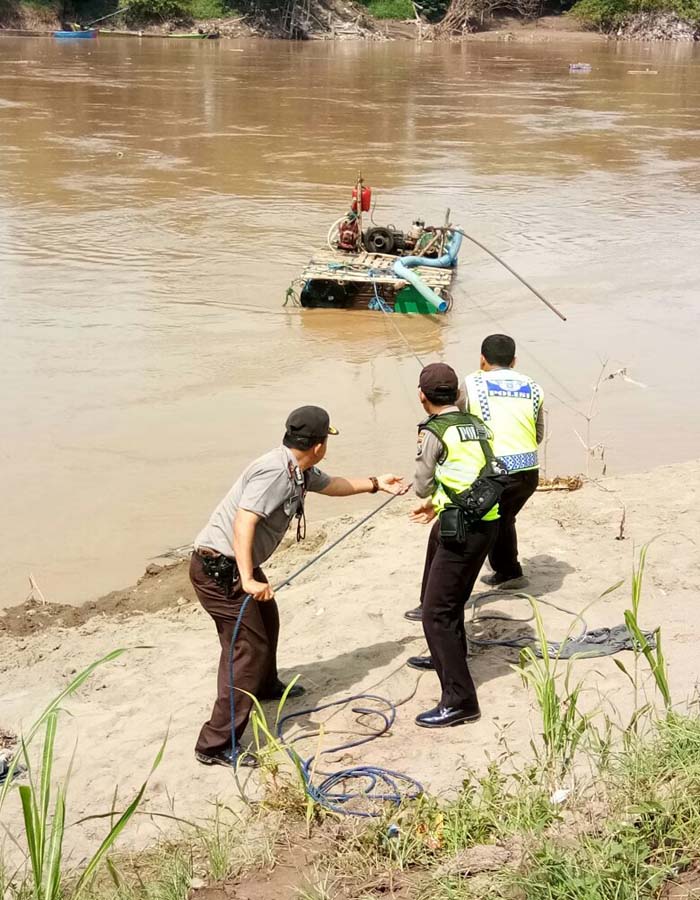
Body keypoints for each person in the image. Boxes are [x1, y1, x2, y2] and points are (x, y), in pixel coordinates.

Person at [191, 405, 406, 767]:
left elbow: (332, 484)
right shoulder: (276, 472)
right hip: (219, 570)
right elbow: (244, 522)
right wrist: (247, 578)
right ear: (319, 445)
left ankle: (266, 686)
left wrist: (375, 484)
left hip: (235, 565)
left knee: (267, 622)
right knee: (246, 649)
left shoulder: (298, 468)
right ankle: (214, 744)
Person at [403, 334, 544, 621]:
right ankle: (509, 571)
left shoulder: (472, 383)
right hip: (528, 472)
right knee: (503, 517)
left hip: (491, 474)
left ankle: (431, 602)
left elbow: (457, 421)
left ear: (482, 359)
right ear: (514, 361)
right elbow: (538, 433)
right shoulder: (534, 387)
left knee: (450, 530)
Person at [406, 364, 500, 728]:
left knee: (436, 612)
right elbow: (470, 469)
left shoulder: (432, 432)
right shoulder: (476, 424)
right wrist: (437, 502)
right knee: (448, 599)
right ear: (457, 394)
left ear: (422, 396)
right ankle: (444, 655)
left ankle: (460, 700)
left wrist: (428, 497)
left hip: (464, 526)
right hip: (486, 519)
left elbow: (422, 485)